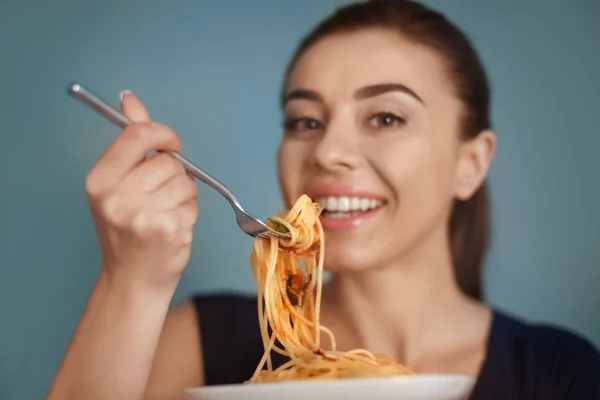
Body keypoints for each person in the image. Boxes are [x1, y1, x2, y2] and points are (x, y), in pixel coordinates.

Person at [47, 1, 600, 399]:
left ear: (471, 162)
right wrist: (132, 281)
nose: (328, 151)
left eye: (386, 117)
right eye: (305, 121)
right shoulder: (197, 342)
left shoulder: (557, 372)